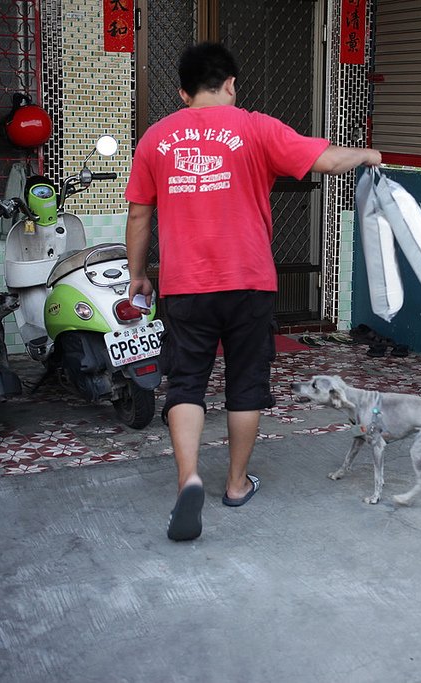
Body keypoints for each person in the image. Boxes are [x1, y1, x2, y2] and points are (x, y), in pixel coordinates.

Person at [125, 42, 382, 541]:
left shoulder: (155, 138)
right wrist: (368, 153)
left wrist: (139, 272)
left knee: (185, 383)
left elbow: (139, 213)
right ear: (231, 84)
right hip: (250, 282)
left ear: (183, 92)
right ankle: (237, 483)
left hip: (185, 285)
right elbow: (325, 161)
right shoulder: (256, 127)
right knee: (245, 384)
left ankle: (188, 480)